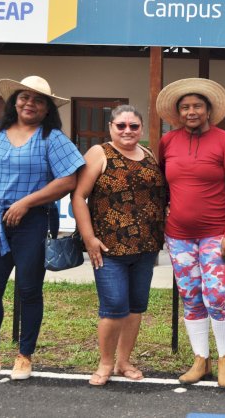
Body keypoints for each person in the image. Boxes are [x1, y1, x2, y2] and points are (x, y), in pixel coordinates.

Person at [0, 76, 84, 380]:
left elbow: (68, 180)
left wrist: (26, 203)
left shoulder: (53, 138)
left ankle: (24, 356)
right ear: (14, 101)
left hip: (33, 220)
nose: (29, 104)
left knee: (29, 289)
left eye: (38, 100)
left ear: (47, 109)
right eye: (24, 97)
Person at [157, 78, 225, 389]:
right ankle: (201, 359)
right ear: (178, 112)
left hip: (217, 234)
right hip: (178, 235)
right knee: (191, 296)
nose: (191, 111)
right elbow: (162, 186)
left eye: (197, 106)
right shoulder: (168, 142)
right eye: (185, 107)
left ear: (209, 110)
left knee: (218, 295)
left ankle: (224, 358)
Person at [72, 105, 165, 386]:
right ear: (111, 127)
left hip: (146, 247)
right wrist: (89, 238)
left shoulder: (148, 155)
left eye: (133, 126)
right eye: (121, 125)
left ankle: (124, 361)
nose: (127, 131)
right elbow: (79, 196)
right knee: (113, 307)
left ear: (141, 128)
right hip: (109, 248)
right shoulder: (100, 153)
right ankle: (105, 363)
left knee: (136, 307)